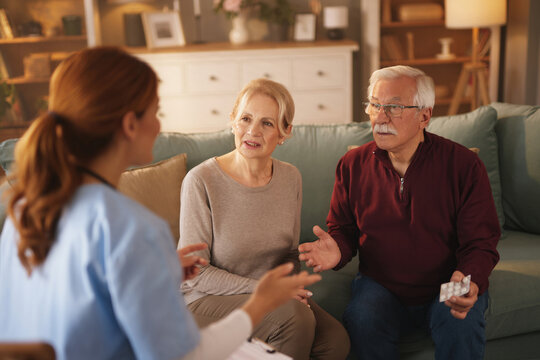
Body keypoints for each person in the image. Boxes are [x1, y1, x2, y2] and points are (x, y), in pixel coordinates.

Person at [0, 47, 322, 360]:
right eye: (156, 112)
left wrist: (160, 269)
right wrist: (260, 303)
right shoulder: (133, 229)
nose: (159, 125)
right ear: (130, 125)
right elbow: (187, 355)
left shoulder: (26, 209)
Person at [299, 65, 500, 360]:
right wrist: (338, 251)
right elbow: (344, 231)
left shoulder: (464, 166)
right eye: (375, 105)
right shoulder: (352, 165)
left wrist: (466, 277)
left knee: (461, 324)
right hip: (381, 286)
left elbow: (480, 242)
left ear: (425, 115)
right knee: (362, 320)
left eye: (393, 107)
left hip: (444, 282)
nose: (380, 116)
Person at [178, 78, 350, 360]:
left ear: (284, 133)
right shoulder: (201, 180)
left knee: (334, 340)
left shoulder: (290, 177)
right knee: (294, 319)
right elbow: (197, 275)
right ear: (233, 120)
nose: (252, 131)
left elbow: (289, 255)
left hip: (270, 296)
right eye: (246, 118)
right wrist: (264, 291)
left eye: (267, 123)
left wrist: (293, 286)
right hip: (204, 300)